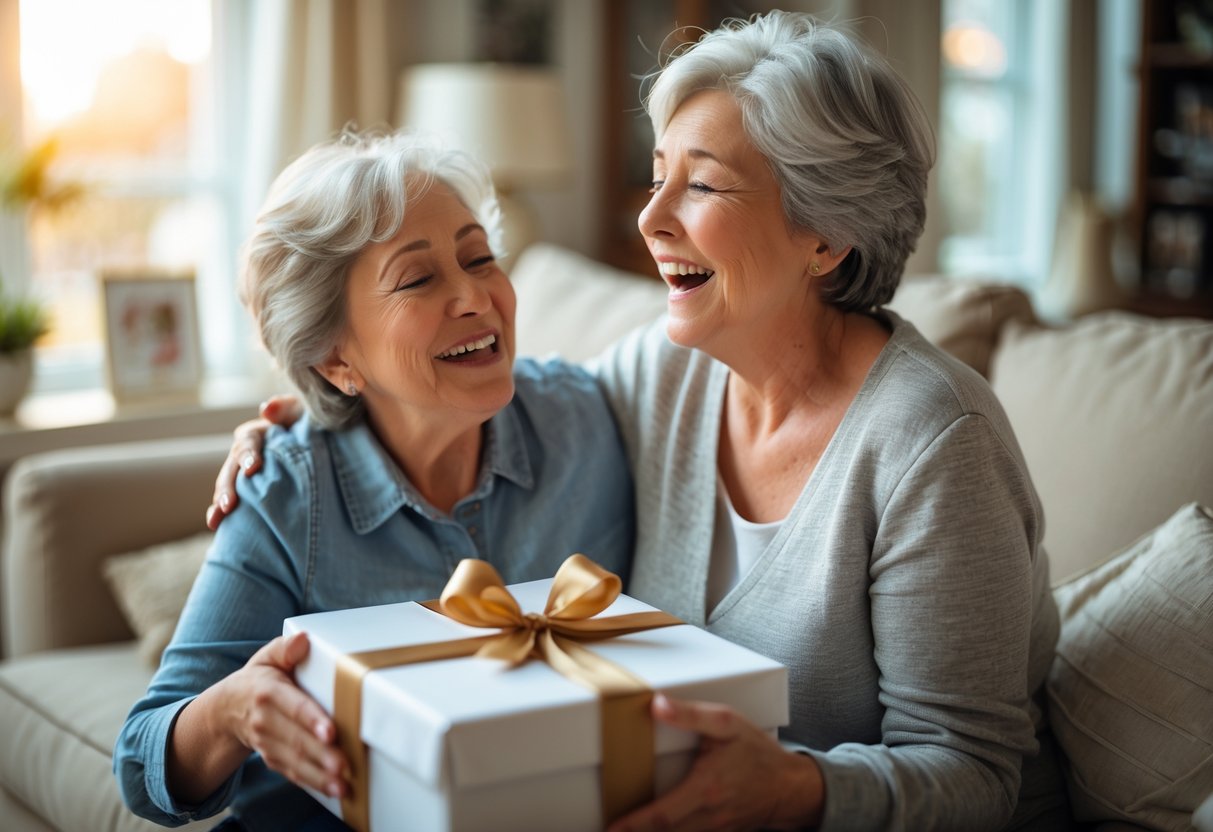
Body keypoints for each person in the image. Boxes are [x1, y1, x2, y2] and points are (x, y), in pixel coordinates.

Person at [207, 12, 1068, 831]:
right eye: (658, 176)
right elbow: (477, 395)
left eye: (701, 185)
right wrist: (310, 418)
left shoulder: (933, 441)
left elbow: (975, 776)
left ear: (824, 236)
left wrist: (798, 788)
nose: (650, 219)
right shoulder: (662, 374)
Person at [114, 131, 635, 831]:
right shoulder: (287, 491)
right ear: (336, 357)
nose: (474, 296)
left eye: (479, 257)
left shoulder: (591, 416)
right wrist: (233, 710)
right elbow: (141, 765)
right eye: (419, 279)